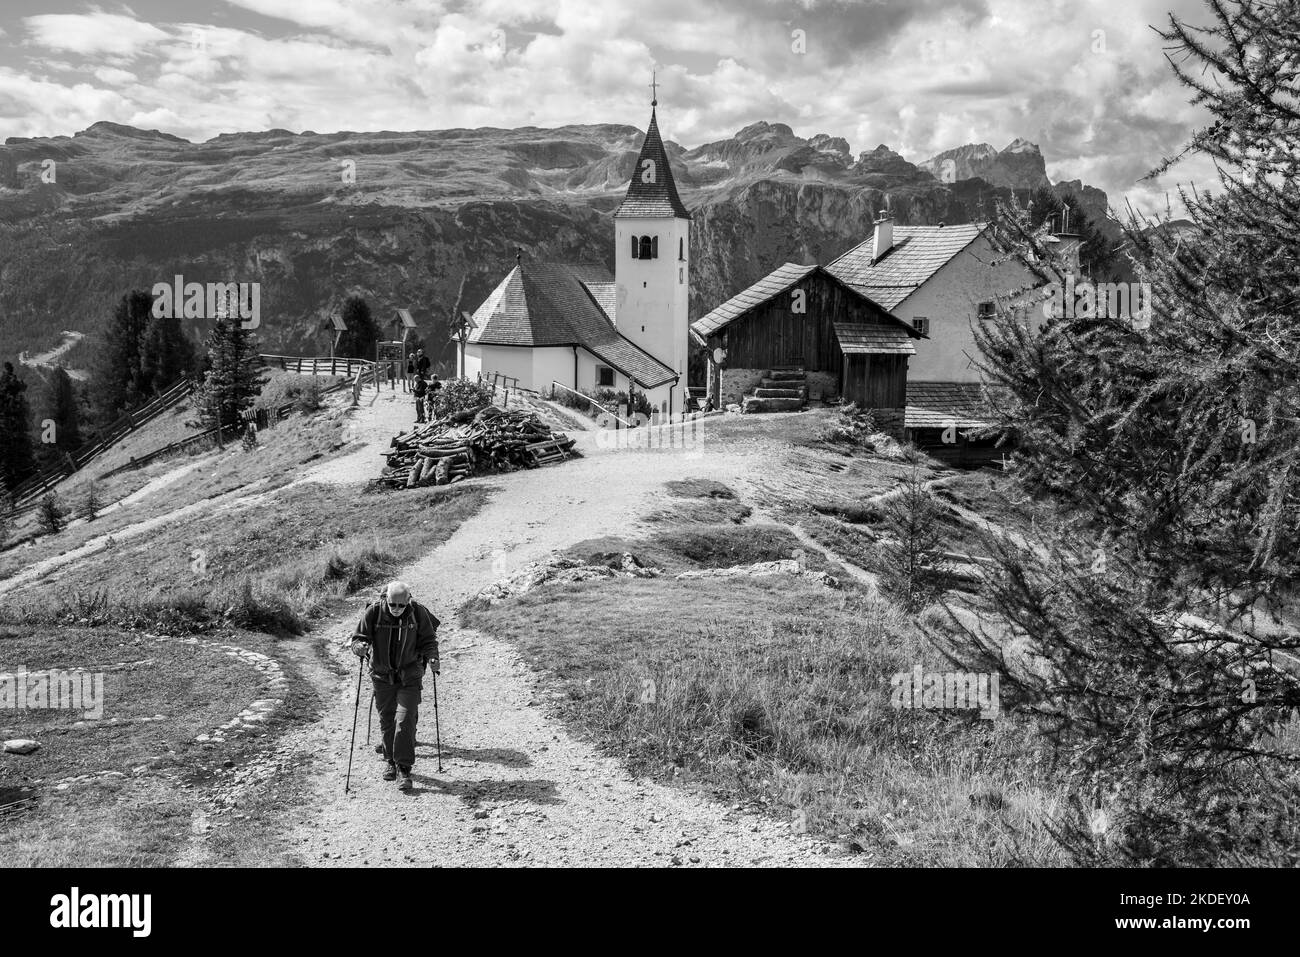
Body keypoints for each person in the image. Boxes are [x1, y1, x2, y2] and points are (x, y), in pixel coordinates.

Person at [351, 581, 440, 791]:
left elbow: (429, 640)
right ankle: (390, 761)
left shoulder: (417, 613)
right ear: (386, 600)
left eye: (401, 605)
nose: (397, 609)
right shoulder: (374, 612)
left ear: (408, 601)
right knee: (387, 719)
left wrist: (433, 658)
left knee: (405, 718)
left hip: (409, 676)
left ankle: (404, 769)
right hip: (382, 677)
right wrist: (359, 648)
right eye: (392, 605)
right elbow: (358, 638)